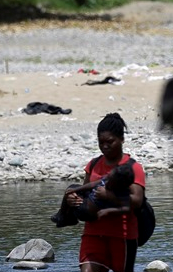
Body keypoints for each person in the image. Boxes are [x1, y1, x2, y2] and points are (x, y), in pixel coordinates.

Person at [56, 113, 147, 272]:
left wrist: (109, 196)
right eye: (101, 142)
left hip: (122, 237)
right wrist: (73, 199)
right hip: (93, 235)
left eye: (110, 142)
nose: (105, 146)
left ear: (122, 139)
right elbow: (85, 196)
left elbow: (137, 200)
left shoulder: (133, 168)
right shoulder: (93, 164)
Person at [53, 161, 136, 224]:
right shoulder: (109, 178)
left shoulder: (121, 193)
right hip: (87, 199)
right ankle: (63, 215)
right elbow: (93, 184)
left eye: (111, 182)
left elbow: (126, 208)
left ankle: (67, 217)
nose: (108, 182)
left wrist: (108, 210)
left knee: (72, 190)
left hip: (86, 211)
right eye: (109, 177)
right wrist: (77, 189)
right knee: (72, 188)